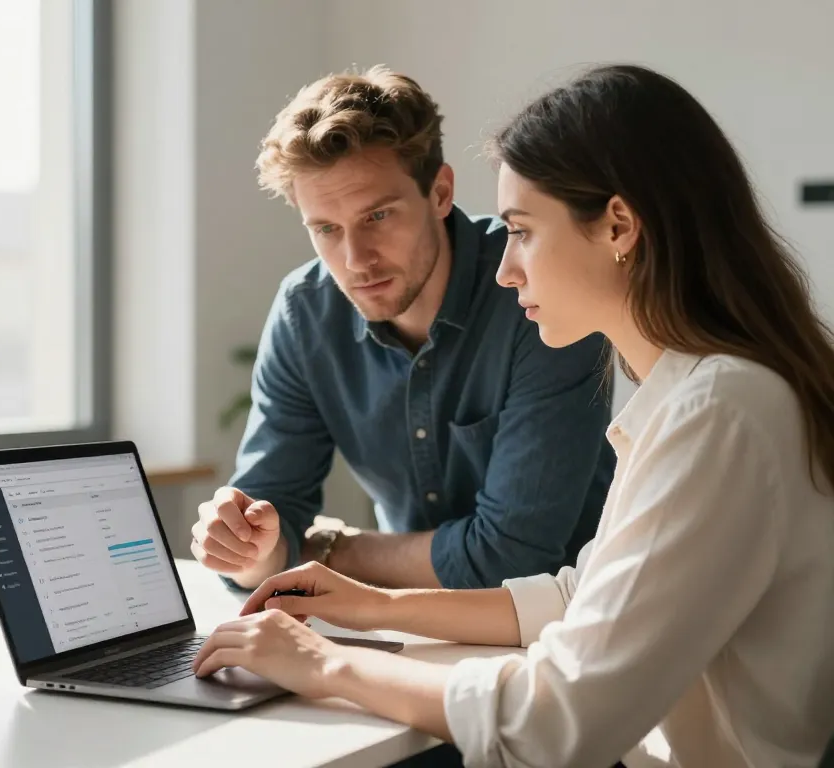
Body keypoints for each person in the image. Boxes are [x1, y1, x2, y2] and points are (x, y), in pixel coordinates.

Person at [190, 64, 834, 767]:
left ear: (618, 225)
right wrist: (368, 604)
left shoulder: (720, 413)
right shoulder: (699, 396)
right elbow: (578, 595)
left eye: (522, 232)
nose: (505, 267)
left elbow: (558, 725)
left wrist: (325, 663)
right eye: (324, 228)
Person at [190, 66, 615, 591]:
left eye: (377, 217)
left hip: (563, 625)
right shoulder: (306, 314)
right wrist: (247, 549)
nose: (355, 260)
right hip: (406, 621)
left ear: (439, 193)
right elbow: (270, 530)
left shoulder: (535, 297)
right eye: (325, 229)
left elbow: (512, 558)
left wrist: (327, 549)